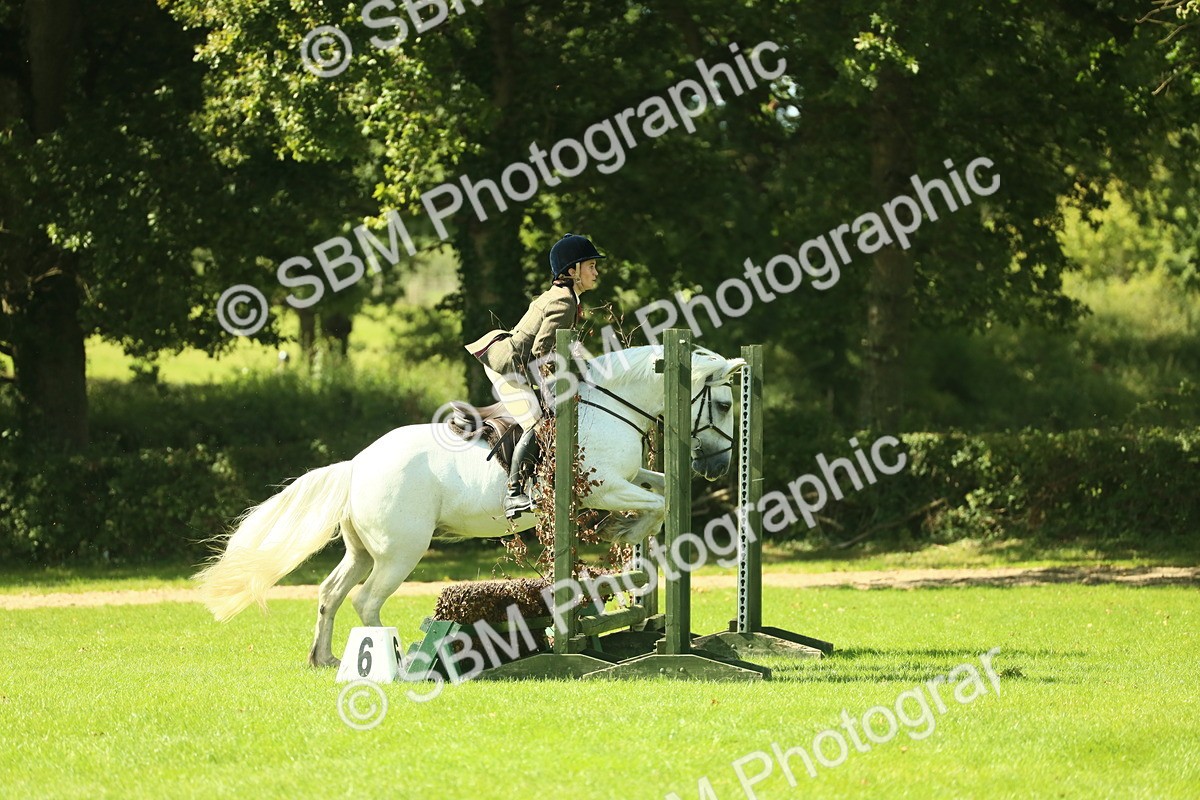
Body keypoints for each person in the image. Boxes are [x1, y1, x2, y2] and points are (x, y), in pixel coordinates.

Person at [464, 233, 605, 519]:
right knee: (540, 424)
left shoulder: (567, 298)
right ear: (572, 271)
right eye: (590, 265)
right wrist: (555, 389)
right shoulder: (563, 302)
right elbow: (543, 352)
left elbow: (561, 348)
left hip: (515, 360)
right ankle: (514, 493)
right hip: (508, 366)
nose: (596, 271)